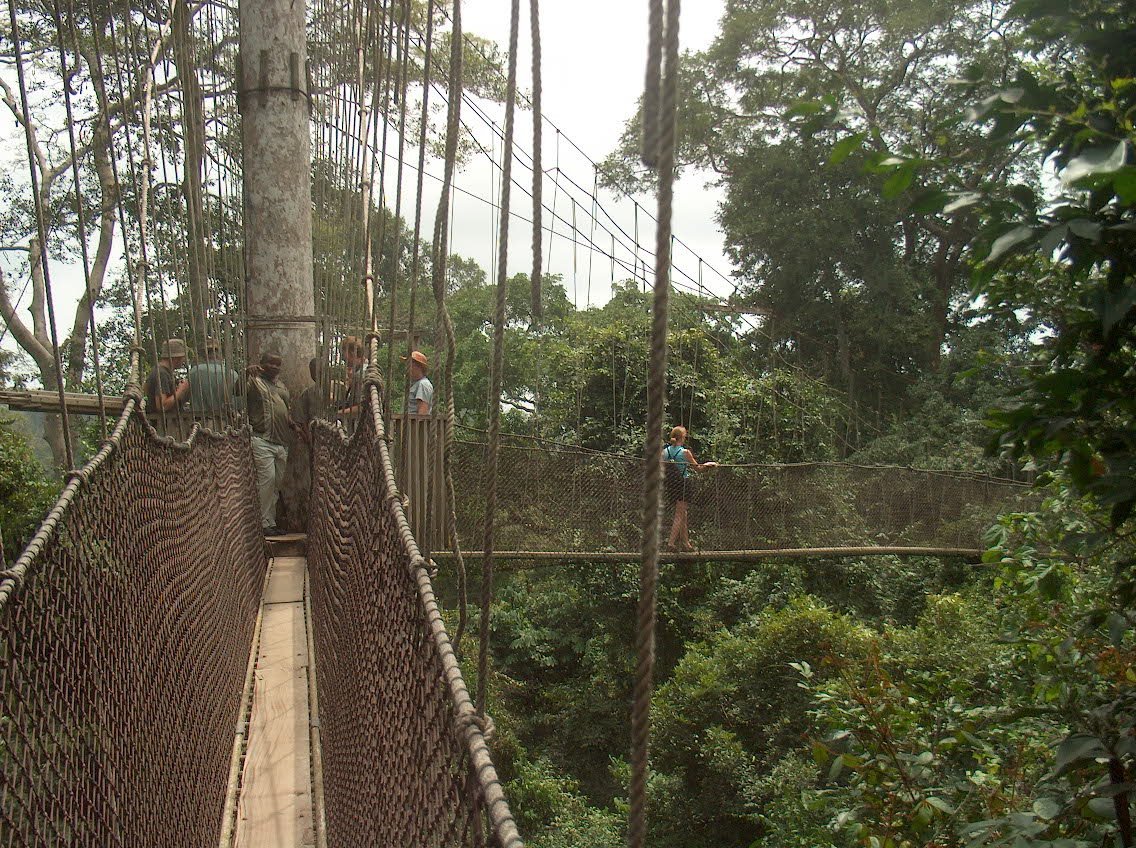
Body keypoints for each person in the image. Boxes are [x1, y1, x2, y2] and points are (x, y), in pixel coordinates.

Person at [247, 350, 294, 535]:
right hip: (262, 439)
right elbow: (235, 391)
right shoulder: (253, 381)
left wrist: (294, 425)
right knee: (267, 480)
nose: (274, 367)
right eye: (270, 363)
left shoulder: (281, 386)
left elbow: (285, 410)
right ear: (261, 363)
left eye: (277, 364)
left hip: (282, 442)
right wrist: (246, 373)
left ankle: (270, 522)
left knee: (276, 484)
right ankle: (263, 525)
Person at [283, 357, 327, 531]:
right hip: (315, 444)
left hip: (335, 442)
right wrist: (310, 441)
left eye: (320, 370)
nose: (317, 373)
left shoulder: (338, 389)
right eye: (314, 370)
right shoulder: (307, 394)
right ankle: (312, 522)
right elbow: (301, 422)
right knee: (313, 482)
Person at [663, 426, 716, 551]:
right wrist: (708, 465)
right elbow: (698, 468)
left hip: (671, 484)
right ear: (683, 437)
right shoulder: (685, 452)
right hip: (683, 484)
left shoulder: (665, 452)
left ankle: (686, 543)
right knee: (679, 514)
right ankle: (670, 543)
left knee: (683, 513)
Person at [188, 337, 240, 432]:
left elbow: (186, 398)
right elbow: (238, 404)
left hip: (199, 425)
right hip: (226, 425)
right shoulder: (232, 374)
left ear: (204, 354)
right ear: (222, 355)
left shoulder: (194, 372)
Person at [144, 338, 191, 439]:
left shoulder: (163, 372)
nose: (183, 361)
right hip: (164, 430)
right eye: (182, 358)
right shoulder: (162, 374)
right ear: (176, 358)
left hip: (167, 427)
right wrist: (181, 389)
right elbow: (162, 406)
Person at [405, 349, 433, 416]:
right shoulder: (416, 384)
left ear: (418, 367)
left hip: (414, 425)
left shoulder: (423, 384)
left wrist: (417, 425)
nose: (407, 368)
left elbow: (423, 411)